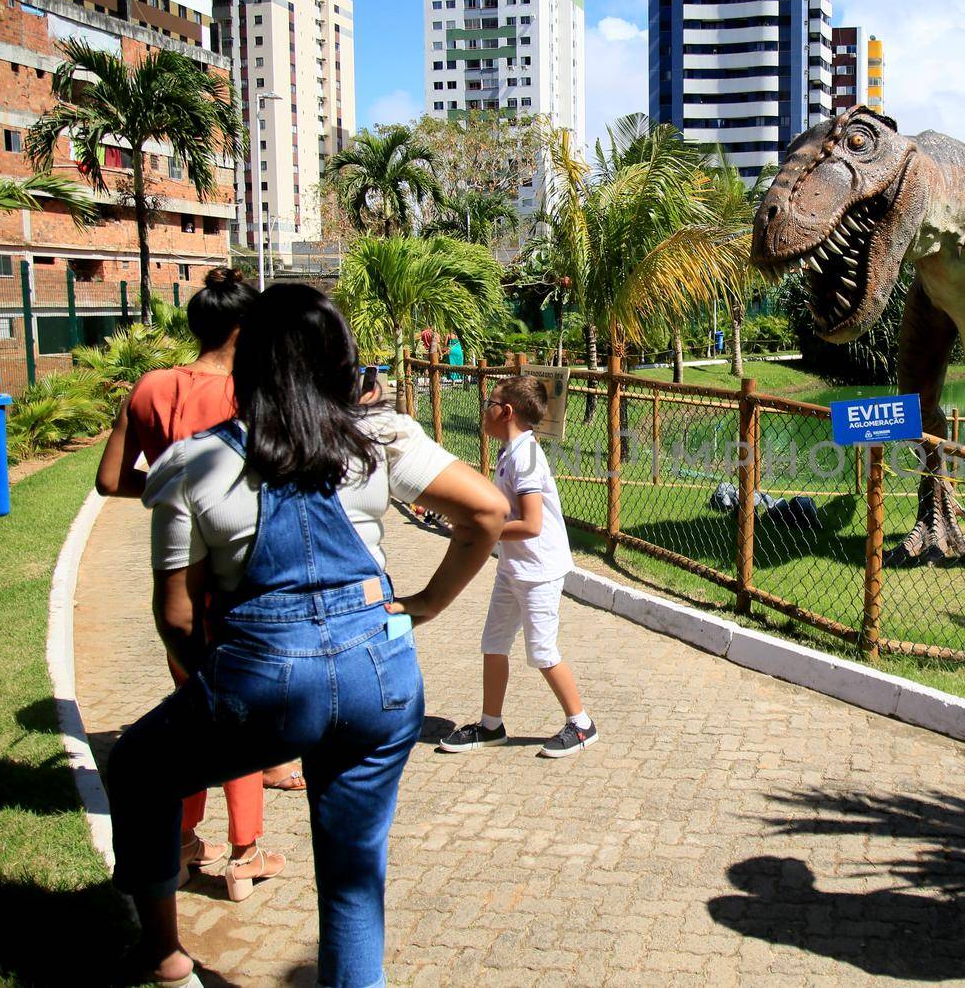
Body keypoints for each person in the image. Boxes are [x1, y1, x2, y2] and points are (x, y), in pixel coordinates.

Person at [107, 284, 508, 988]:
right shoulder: (376, 438)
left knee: (139, 766)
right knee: (354, 880)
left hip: (263, 679)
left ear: (248, 363)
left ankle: (165, 955)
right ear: (339, 361)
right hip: (380, 677)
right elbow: (488, 511)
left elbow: (175, 615)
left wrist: (225, 681)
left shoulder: (193, 463)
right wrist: (423, 606)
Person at [95, 268, 288, 891]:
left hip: (179, 578)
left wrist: (164, 488)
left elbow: (108, 479)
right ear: (242, 327)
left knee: (194, 704)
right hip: (242, 579)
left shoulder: (151, 387)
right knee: (239, 713)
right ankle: (244, 853)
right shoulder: (253, 392)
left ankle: (181, 838)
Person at [439, 375, 597, 758]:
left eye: (488, 404)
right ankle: (491, 725)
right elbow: (498, 509)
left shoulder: (526, 458)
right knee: (494, 642)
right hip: (514, 568)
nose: (484, 411)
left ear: (506, 412)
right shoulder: (511, 452)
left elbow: (531, 524)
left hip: (538, 569)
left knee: (541, 651)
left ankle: (581, 725)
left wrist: (479, 533)